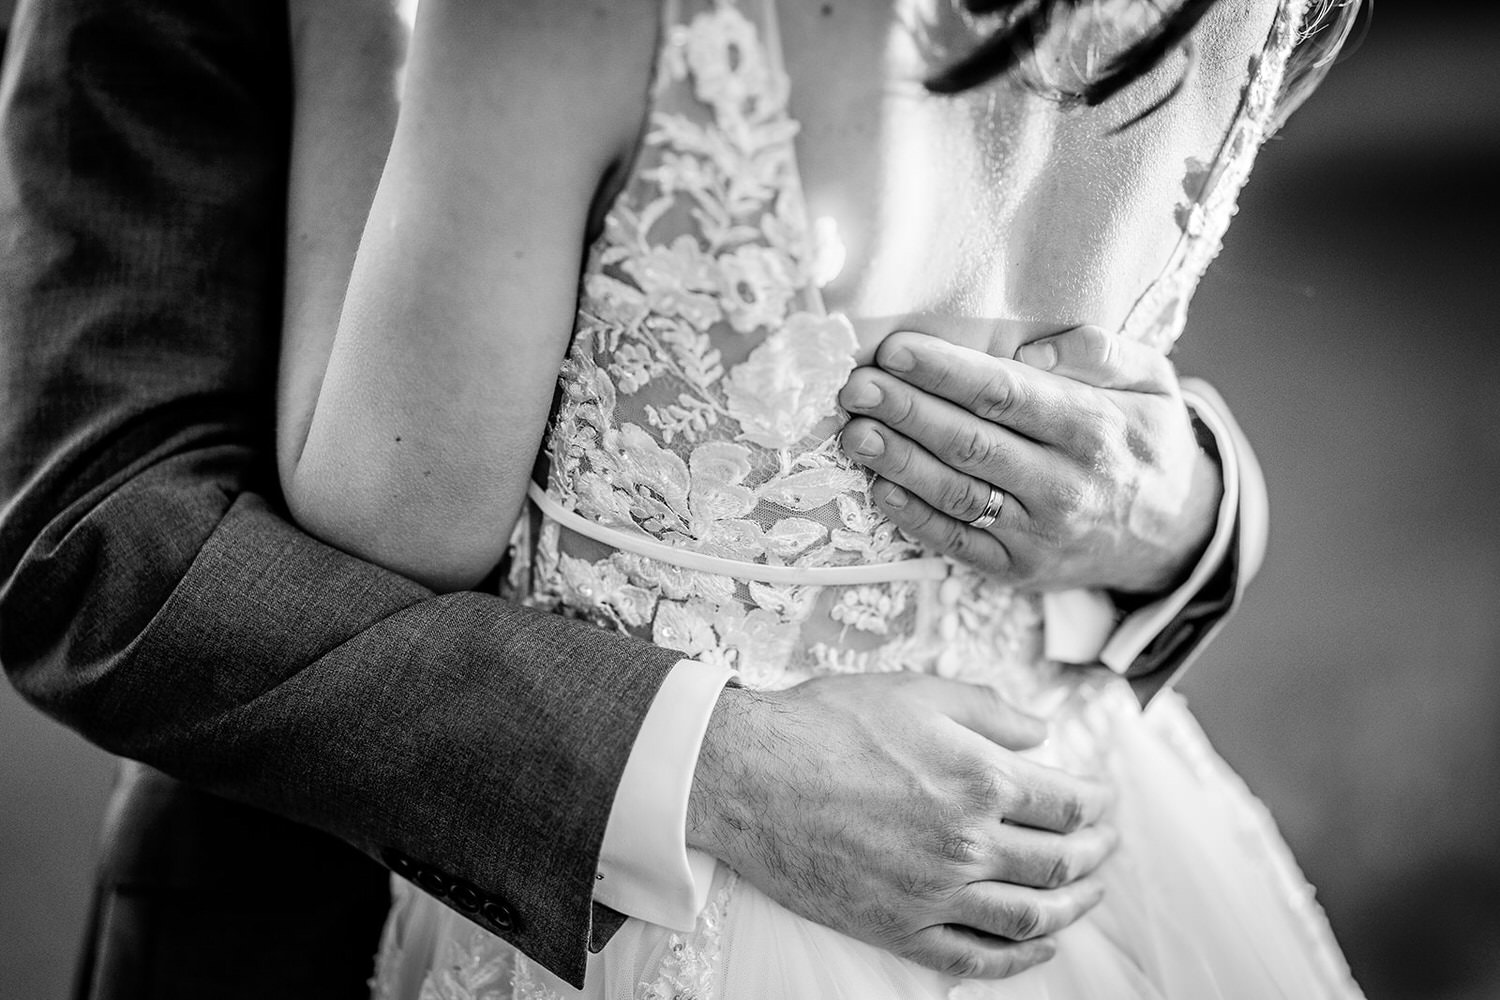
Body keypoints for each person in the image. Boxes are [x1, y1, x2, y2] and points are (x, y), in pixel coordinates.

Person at [0, 2, 1261, 999]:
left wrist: (1183, 506)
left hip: (1024, 847)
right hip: (329, 896)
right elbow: (99, 538)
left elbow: (391, 520)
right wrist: (702, 765)